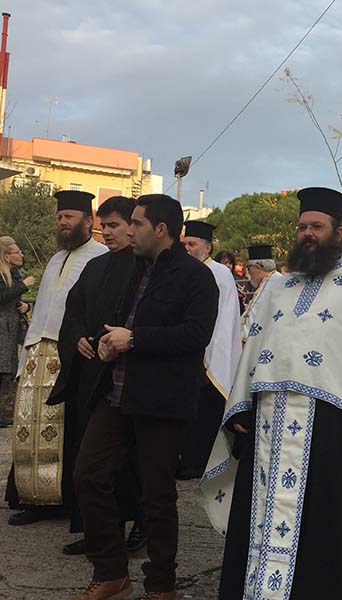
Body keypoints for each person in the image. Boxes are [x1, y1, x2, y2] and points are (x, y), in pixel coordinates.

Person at [202, 187, 342, 600]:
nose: (307, 234)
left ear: (338, 234)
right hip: (267, 428)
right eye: (302, 227)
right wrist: (240, 406)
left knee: (325, 526)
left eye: (317, 226)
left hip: (334, 434)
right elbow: (255, 350)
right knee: (256, 521)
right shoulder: (278, 288)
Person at [71, 194, 218, 600]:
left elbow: (195, 335)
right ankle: (112, 573)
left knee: (156, 495)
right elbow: (119, 322)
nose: (129, 230)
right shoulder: (133, 270)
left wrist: (134, 339)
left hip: (161, 401)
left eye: (136, 223)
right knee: (88, 475)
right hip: (117, 394)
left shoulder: (195, 276)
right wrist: (105, 341)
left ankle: (161, 585)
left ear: (161, 229)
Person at [45, 196, 145, 557]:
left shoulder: (144, 267)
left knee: (126, 462)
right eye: (104, 227)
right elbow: (73, 311)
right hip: (89, 376)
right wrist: (76, 338)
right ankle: (97, 531)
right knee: (89, 460)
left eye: (114, 225)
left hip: (125, 377)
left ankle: (137, 526)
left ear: (133, 226)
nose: (108, 233)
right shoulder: (95, 265)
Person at [5, 190, 107, 526]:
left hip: (68, 354)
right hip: (37, 351)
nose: (63, 222)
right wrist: (27, 352)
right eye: (60, 217)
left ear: (88, 220)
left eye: (69, 217)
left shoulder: (100, 256)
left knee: (63, 429)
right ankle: (33, 498)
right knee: (29, 427)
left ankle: (61, 499)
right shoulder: (55, 258)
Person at [178, 220, 243, 479]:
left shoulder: (220, 273)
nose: (187, 248)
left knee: (204, 412)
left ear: (207, 247)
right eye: (185, 244)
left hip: (209, 353)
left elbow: (223, 319)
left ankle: (199, 462)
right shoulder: (183, 270)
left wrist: (210, 355)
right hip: (186, 349)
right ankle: (184, 458)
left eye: (192, 244)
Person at [0, 236, 34, 428]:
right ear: (6, 256)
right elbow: (2, 296)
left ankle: (4, 412)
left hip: (10, 328)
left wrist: (25, 307)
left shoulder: (14, 273)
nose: (21, 255)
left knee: (7, 371)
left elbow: (13, 300)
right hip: (2, 329)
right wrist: (24, 285)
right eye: (17, 252)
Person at [241, 244, 281, 341]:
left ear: (258, 267)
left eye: (249, 267)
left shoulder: (276, 282)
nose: (248, 272)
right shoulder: (267, 281)